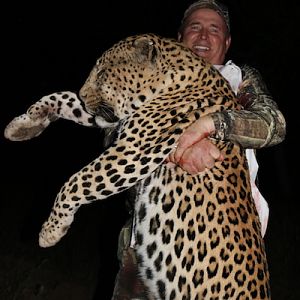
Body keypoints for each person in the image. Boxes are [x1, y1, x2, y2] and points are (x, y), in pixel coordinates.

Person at [111, 1, 286, 299]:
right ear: (179, 37)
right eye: (195, 27)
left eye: (214, 29)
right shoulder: (150, 78)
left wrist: (210, 125)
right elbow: (113, 134)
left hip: (223, 252)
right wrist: (175, 146)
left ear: (227, 42)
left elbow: (274, 125)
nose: (203, 36)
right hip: (147, 245)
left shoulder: (240, 80)